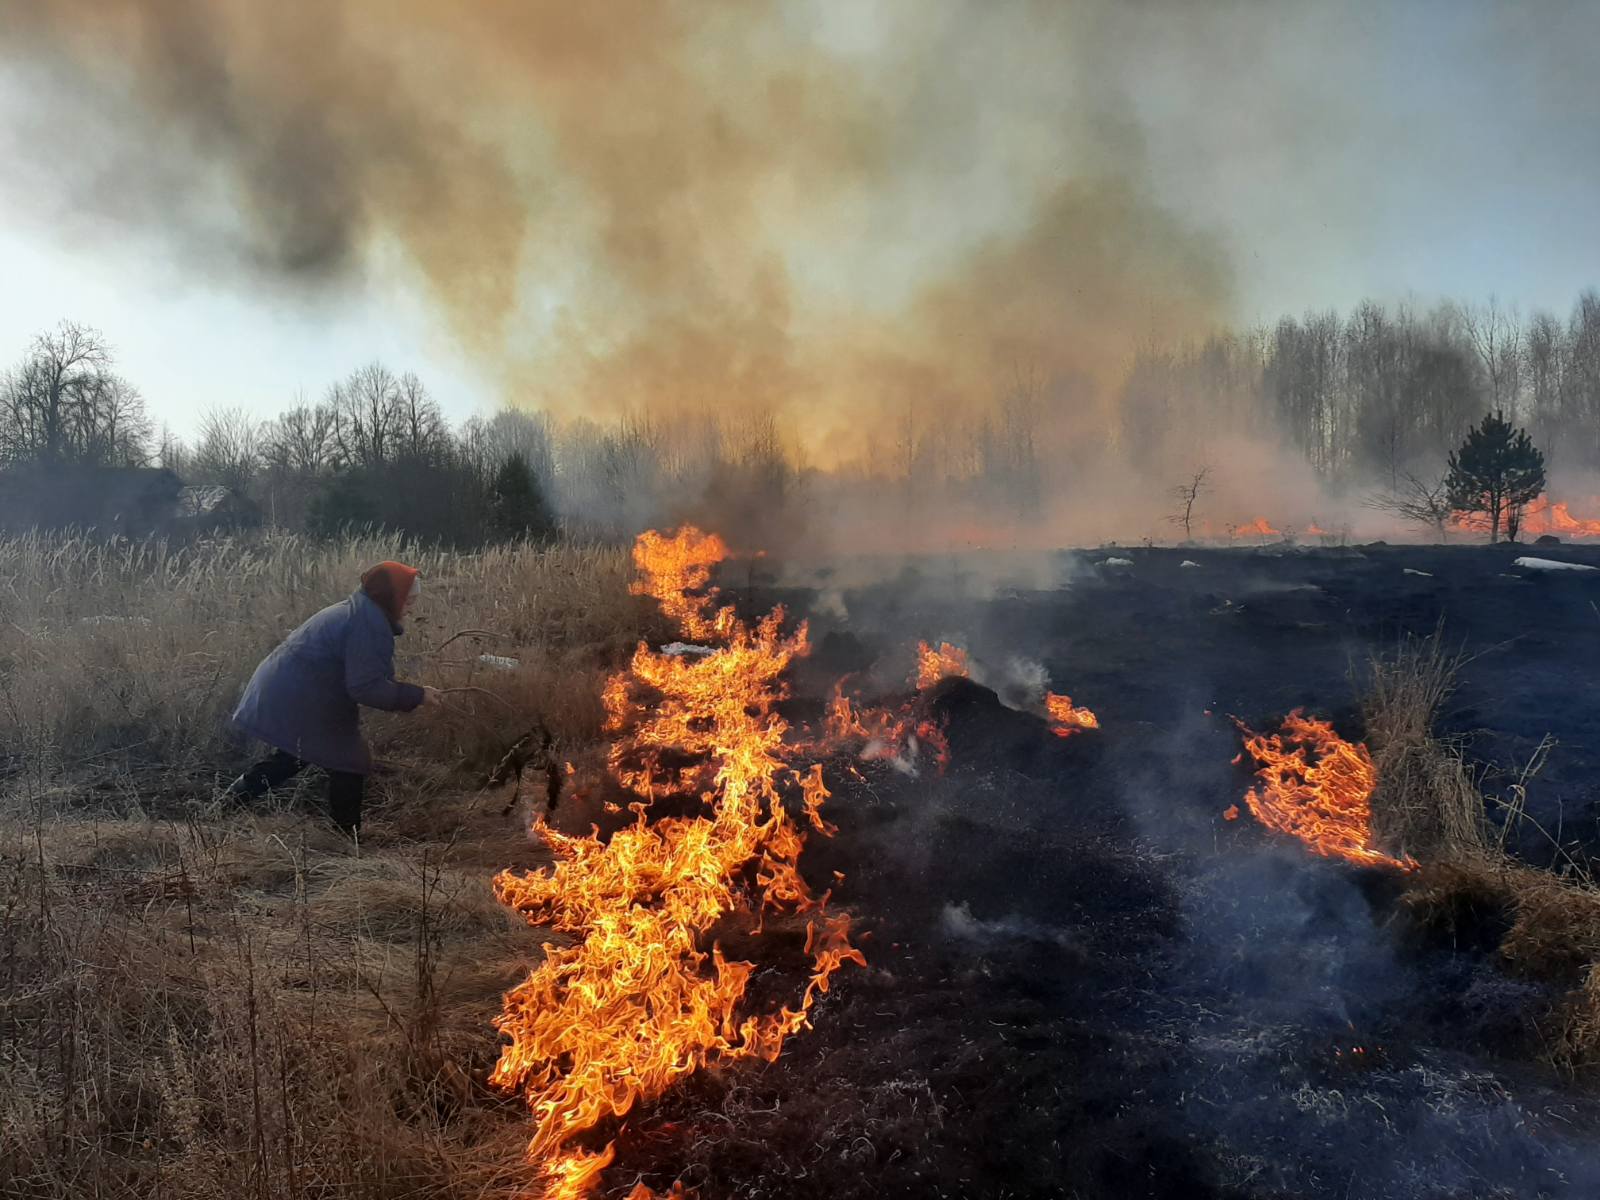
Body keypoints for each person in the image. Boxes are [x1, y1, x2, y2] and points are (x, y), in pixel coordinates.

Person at [227, 560, 439, 834]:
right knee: (349, 760)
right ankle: (345, 840)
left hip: (290, 691)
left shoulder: (361, 611)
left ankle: (225, 805)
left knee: (295, 755)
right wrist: (418, 695)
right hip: (298, 695)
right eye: (408, 601)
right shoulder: (367, 623)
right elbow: (366, 687)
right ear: (392, 598)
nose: (411, 609)